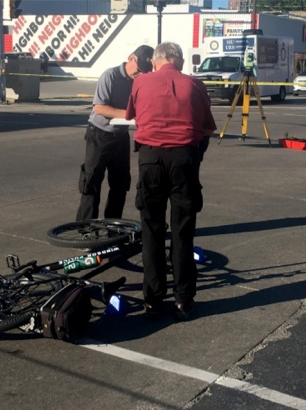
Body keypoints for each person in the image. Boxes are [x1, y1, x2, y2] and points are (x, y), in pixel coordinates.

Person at [125, 42, 216, 320]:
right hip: (184, 160)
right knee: (183, 230)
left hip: (150, 159)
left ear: (155, 61)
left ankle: (153, 298)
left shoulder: (141, 83)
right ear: (180, 61)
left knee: (151, 228)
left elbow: (132, 116)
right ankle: (183, 298)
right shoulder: (196, 85)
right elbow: (207, 127)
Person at [75, 44, 155, 221]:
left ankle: (112, 226)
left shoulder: (139, 82)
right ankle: (85, 228)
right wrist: (129, 115)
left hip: (120, 136)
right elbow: (100, 107)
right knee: (91, 183)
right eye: (139, 69)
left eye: (145, 72)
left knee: (120, 184)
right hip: (99, 135)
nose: (140, 74)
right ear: (131, 59)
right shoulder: (109, 75)